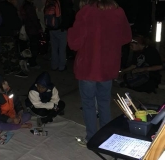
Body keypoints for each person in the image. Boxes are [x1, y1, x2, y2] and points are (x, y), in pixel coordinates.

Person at [67, 0, 132, 145]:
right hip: (108, 67)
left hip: (88, 67)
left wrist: (71, 31)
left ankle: (92, 137)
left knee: (89, 104)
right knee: (104, 102)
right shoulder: (118, 11)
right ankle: (106, 135)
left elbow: (74, 43)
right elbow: (126, 37)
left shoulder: (86, 12)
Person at [45, 0, 75, 71]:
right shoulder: (66, 3)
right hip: (62, 29)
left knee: (54, 48)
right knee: (62, 49)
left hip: (51, 28)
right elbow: (70, 16)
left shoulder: (51, 1)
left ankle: (54, 65)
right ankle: (62, 66)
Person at [20, 0, 42, 69]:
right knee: (34, 47)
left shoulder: (24, 6)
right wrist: (39, 27)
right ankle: (32, 63)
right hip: (32, 30)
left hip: (28, 29)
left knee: (29, 46)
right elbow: (33, 18)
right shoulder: (29, 7)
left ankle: (29, 61)